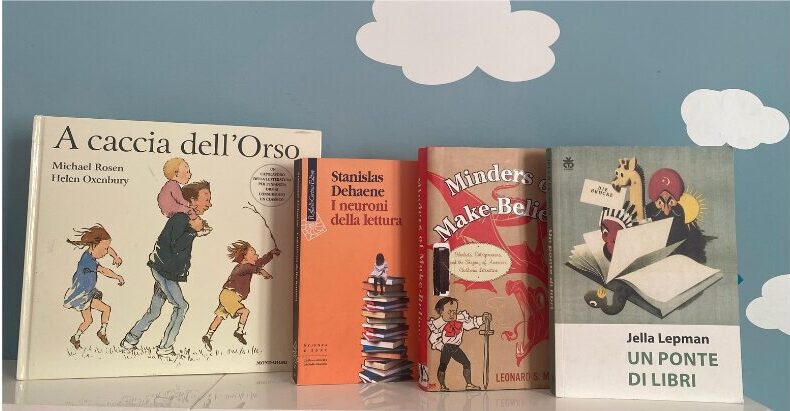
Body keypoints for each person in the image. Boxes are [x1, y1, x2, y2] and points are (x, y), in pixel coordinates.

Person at [121, 180, 212, 357]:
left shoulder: (185, 218)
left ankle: (130, 339)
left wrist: (196, 231)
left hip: (164, 270)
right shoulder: (180, 218)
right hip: (165, 272)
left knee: (154, 310)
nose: (209, 204)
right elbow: (174, 246)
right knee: (181, 306)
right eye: (206, 199)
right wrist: (194, 232)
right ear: (192, 200)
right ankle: (165, 348)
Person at [202, 241, 280, 350]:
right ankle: (239, 332)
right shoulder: (242, 267)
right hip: (230, 296)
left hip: (227, 295)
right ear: (244, 257)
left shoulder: (246, 266)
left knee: (220, 316)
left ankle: (207, 336)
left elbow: (259, 263)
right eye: (253, 253)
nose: (257, 255)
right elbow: (255, 268)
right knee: (245, 312)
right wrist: (263, 272)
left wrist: (271, 254)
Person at [63, 224, 125, 349]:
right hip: (82, 296)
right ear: (94, 245)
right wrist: (118, 277)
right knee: (93, 318)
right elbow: (103, 271)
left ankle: (91, 334)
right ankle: (81, 337)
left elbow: (108, 248)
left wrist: (115, 256)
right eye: (103, 249)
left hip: (88, 294)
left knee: (100, 313)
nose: (105, 252)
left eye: (106, 249)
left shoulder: (92, 253)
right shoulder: (87, 261)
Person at [428, 297, 491, 391]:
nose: (452, 314)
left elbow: (471, 323)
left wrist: (482, 319)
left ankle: (468, 384)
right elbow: (433, 339)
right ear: (441, 312)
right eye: (449, 312)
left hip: (455, 348)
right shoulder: (438, 324)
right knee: (443, 366)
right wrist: (441, 346)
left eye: (454, 312)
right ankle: (442, 386)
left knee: (466, 363)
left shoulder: (460, 319)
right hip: (446, 347)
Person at [157, 157, 211, 235]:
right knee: (190, 211)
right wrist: (189, 205)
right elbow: (180, 199)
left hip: (169, 207)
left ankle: (198, 226)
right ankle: (199, 228)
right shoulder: (173, 185)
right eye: (187, 172)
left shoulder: (170, 185)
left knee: (188, 211)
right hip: (171, 207)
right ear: (176, 173)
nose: (190, 175)